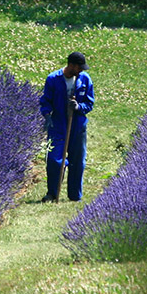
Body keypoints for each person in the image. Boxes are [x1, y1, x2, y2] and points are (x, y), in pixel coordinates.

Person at [39, 51, 95, 202]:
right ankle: (52, 193)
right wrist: (47, 115)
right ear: (71, 65)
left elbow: (89, 103)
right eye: (79, 67)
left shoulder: (85, 79)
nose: (82, 70)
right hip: (57, 125)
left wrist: (78, 107)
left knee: (78, 161)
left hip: (77, 126)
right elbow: (45, 101)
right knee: (54, 159)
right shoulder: (53, 79)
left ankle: (75, 195)